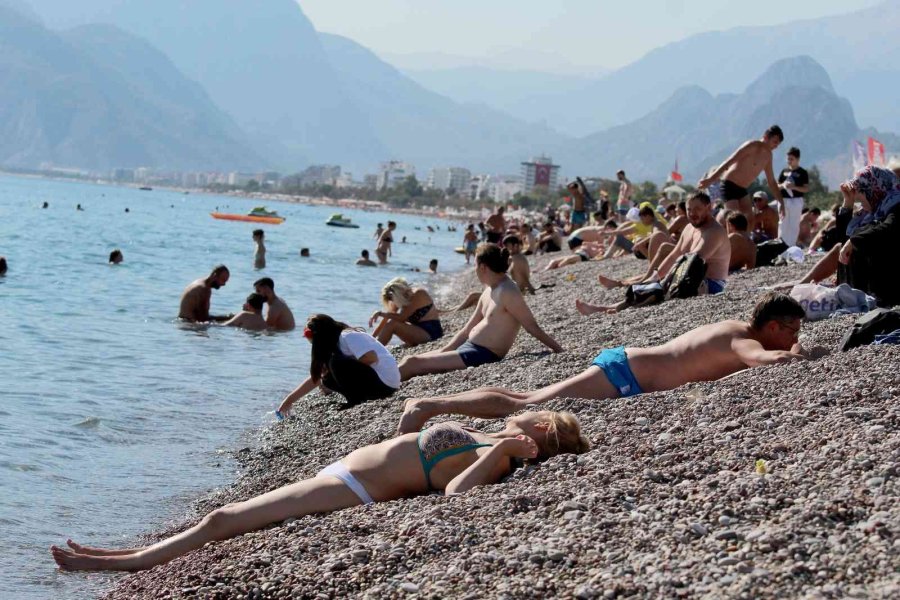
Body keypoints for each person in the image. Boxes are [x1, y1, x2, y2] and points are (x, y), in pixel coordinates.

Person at [51, 409, 587, 573]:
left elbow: (457, 495)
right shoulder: (496, 434)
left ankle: (127, 563)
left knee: (223, 518)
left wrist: (500, 453)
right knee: (225, 516)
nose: (531, 410)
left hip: (354, 487)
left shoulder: (500, 458)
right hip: (342, 469)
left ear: (542, 432)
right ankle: (119, 553)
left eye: (540, 416)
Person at [398, 292, 808, 433]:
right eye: (791, 330)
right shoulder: (742, 340)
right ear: (772, 326)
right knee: (529, 405)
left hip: (625, 366)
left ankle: (442, 406)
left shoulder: (736, 325)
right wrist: (799, 353)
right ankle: (431, 406)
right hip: (623, 375)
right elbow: (768, 363)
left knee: (527, 396)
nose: (794, 338)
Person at [398, 244, 563, 380]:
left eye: (475, 265)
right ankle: (385, 381)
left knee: (412, 363)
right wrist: (445, 350)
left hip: (482, 355)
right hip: (467, 348)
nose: (474, 269)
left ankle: (381, 386)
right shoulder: (489, 290)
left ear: (483, 267)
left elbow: (531, 326)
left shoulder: (508, 291)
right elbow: (467, 330)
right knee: (408, 360)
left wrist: (559, 350)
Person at [578, 191, 730, 314]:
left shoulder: (713, 232)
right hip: (691, 278)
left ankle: (610, 308)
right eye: (689, 209)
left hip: (710, 284)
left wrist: (660, 282)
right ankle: (612, 306)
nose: (692, 213)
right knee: (653, 286)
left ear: (709, 208)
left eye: (697, 209)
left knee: (654, 291)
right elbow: (675, 255)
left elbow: (692, 262)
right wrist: (655, 277)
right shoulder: (690, 228)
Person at [277, 315, 400, 413]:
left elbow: (372, 357)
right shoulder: (336, 345)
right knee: (326, 377)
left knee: (336, 363)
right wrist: (289, 401)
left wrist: (343, 365)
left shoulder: (348, 336)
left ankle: (355, 400)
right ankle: (358, 399)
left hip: (385, 384)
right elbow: (316, 378)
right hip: (377, 384)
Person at [699, 125, 785, 229]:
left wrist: (781, 202)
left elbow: (771, 182)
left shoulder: (768, 156)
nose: (776, 146)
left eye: (778, 144)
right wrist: (711, 179)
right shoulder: (751, 145)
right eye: (775, 142)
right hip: (729, 184)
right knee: (735, 219)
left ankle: (742, 241)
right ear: (766, 136)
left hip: (742, 189)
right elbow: (730, 160)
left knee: (750, 220)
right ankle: (725, 235)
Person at [837, 166, 900, 307]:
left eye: (861, 198)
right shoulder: (872, 212)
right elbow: (843, 238)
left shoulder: (896, 205)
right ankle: (848, 294)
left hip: (891, 287)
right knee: (856, 238)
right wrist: (848, 203)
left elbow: (888, 229)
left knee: (863, 238)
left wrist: (854, 241)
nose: (861, 205)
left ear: (873, 190)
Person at [370, 278, 443, 346]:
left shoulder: (418, 294)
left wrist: (380, 313)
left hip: (432, 333)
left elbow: (402, 318)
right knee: (391, 322)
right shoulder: (401, 299)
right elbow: (385, 320)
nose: (392, 301)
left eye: (391, 298)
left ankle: (375, 350)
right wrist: (371, 338)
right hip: (418, 332)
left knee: (393, 324)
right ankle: (371, 347)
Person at [777, 147, 810, 246]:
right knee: (782, 223)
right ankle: (780, 245)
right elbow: (777, 185)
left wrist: (794, 187)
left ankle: (790, 245)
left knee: (794, 224)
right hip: (784, 199)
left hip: (796, 200)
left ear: (797, 159)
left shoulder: (802, 172)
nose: (789, 161)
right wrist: (783, 185)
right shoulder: (784, 171)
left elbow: (806, 188)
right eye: (788, 159)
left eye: (791, 159)